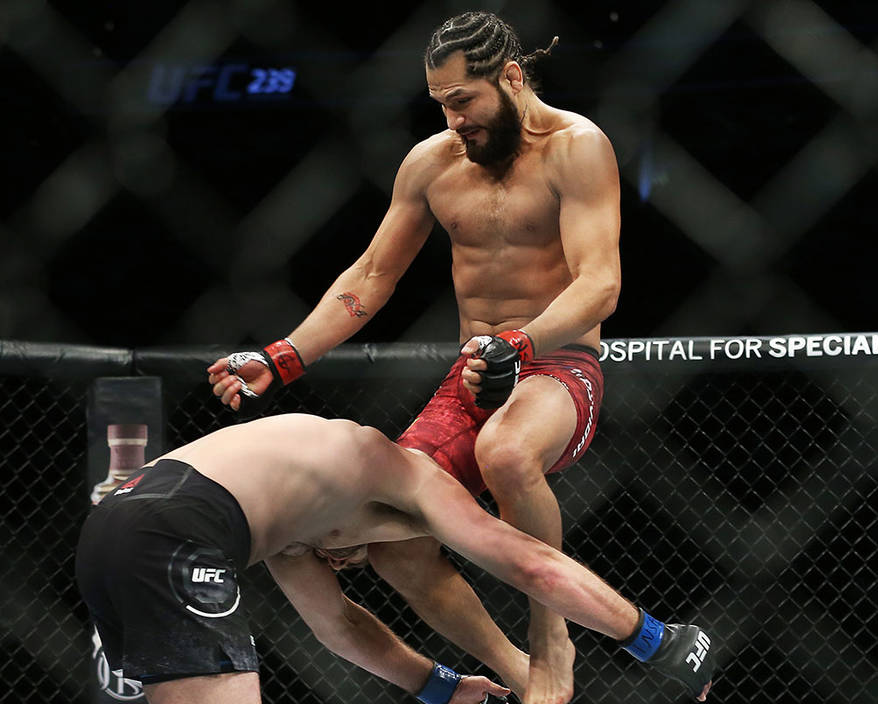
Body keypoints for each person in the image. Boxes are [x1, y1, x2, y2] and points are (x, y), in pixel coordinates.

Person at [207, 11, 620, 704]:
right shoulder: (432, 164)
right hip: (474, 375)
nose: (453, 119)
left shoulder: (578, 147)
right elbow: (370, 277)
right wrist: (282, 358)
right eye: (441, 105)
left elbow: (600, 282)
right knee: (395, 540)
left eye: (464, 100)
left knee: (508, 453)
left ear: (511, 78)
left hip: (558, 368)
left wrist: (521, 342)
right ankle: (522, 680)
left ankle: (552, 640)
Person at [76, 414, 715, 703]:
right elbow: (535, 565)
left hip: (112, 528)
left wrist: (443, 687)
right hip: (173, 533)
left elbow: (340, 627)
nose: (344, 563)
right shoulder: (391, 466)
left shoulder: (290, 523)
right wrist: (661, 641)